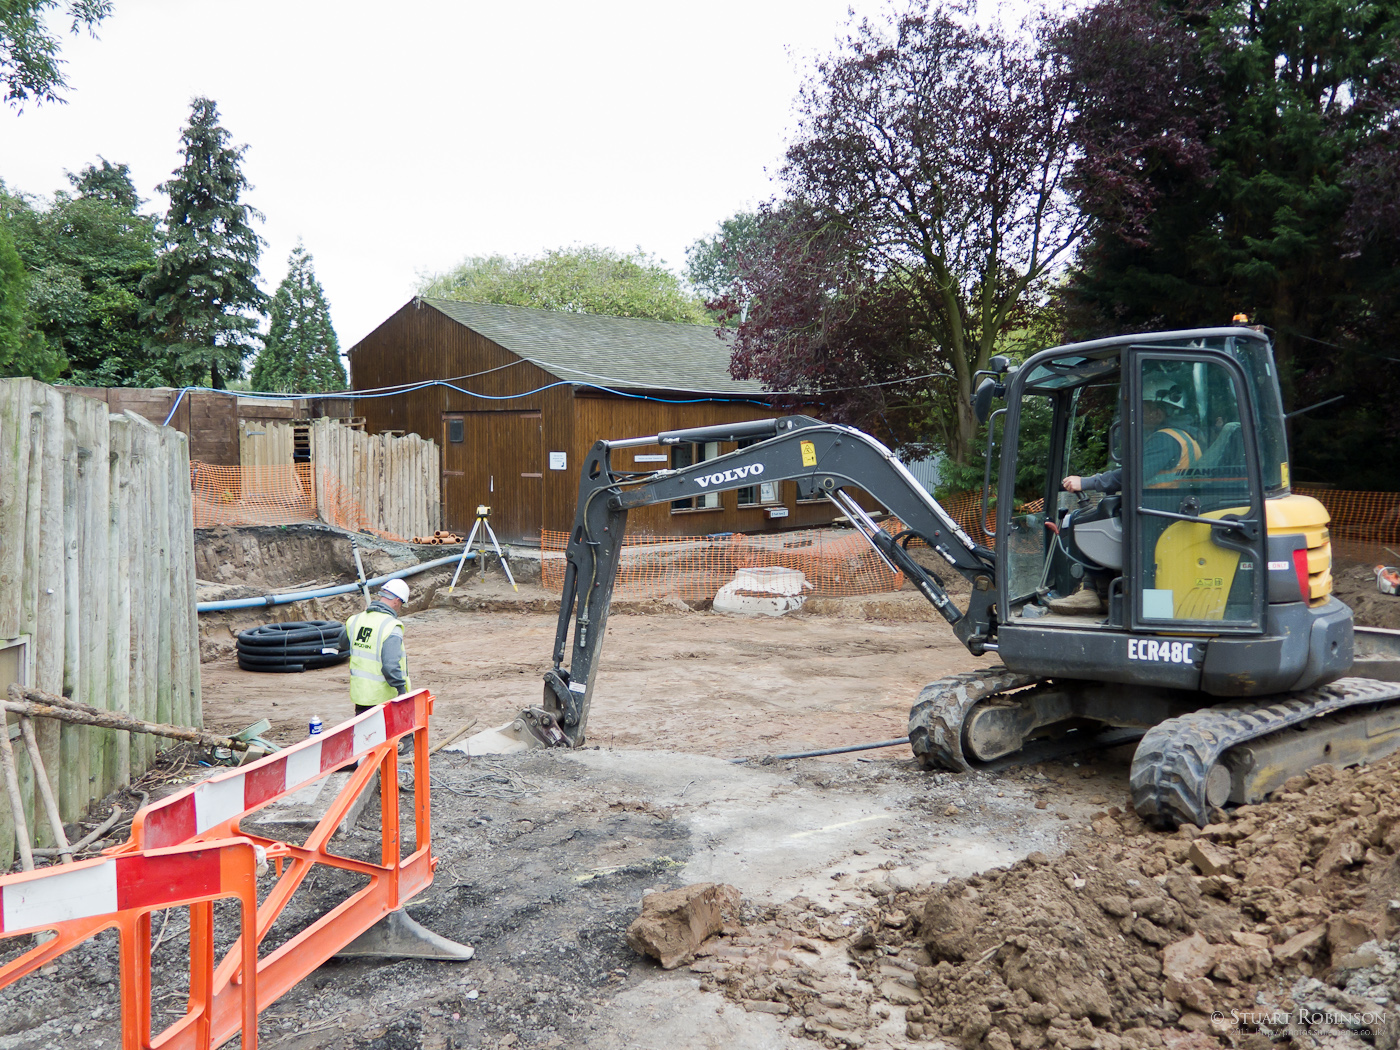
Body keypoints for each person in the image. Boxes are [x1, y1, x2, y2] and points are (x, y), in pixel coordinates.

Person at [1062, 376, 1202, 495]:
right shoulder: (1183, 436)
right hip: (1169, 505)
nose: (1134, 415)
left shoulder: (1165, 439)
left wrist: (1088, 482)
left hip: (1159, 510)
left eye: (1141, 409)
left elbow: (1133, 475)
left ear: (1157, 414)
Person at [346, 578, 412, 715]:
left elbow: (342, 643)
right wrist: (401, 688)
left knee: (365, 735)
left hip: (360, 696)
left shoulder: (355, 620)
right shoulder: (391, 626)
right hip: (384, 697)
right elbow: (390, 665)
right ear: (397, 601)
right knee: (398, 735)